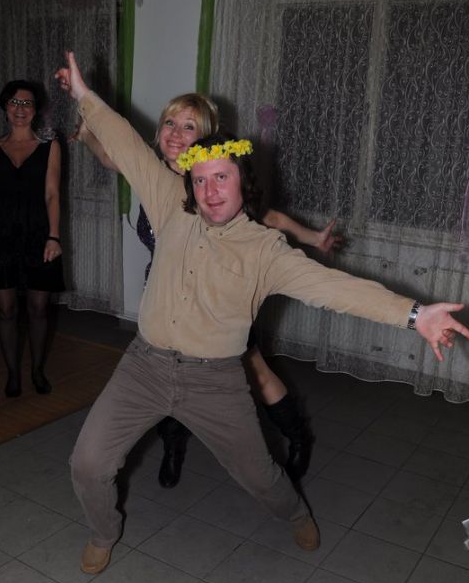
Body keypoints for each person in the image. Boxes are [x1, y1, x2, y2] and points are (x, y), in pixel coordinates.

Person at [55, 51, 469, 576]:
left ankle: (295, 513)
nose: (209, 191)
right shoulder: (168, 204)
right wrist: (83, 95)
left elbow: (335, 288)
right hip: (144, 366)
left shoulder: (266, 250)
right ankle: (103, 531)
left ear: (242, 182)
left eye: (221, 178)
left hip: (215, 381)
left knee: (260, 477)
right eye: (200, 180)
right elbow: (124, 143)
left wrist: (415, 315)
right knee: (87, 463)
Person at [74, 93, 343, 487]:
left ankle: (298, 437)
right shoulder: (148, 169)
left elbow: (270, 217)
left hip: (219, 298)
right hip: (168, 290)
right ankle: (173, 447)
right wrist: (86, 134)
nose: (176, 133)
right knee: (163, 370)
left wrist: (314, 237)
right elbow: (108, 155)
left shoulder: (211, 182)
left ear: (207, 138)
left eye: (189, 127)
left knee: (257, 371)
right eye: (170, 123)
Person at [0, 80, 64, 397]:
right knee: (6, 310)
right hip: (0, 234)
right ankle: (13, 374)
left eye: (27, 103)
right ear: (5, 107)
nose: (20, 109)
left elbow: (52, 194)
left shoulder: (50, 147)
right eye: (14, 102)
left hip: (38, 233)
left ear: (36, 109)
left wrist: (54, 236)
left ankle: (37, 370)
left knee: (38, 308)